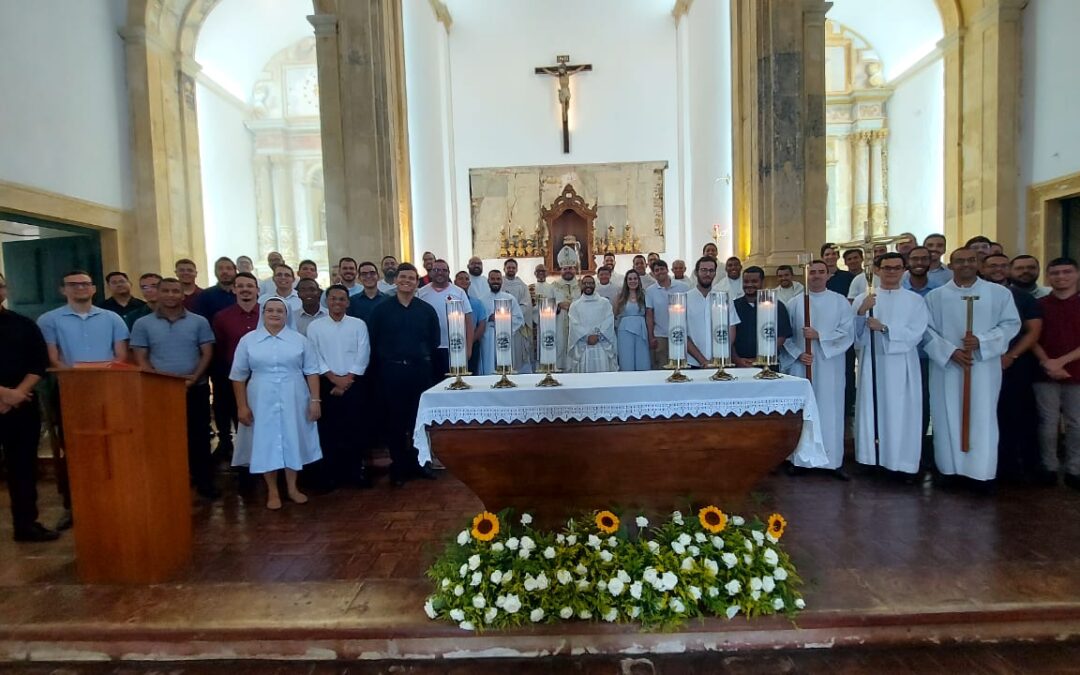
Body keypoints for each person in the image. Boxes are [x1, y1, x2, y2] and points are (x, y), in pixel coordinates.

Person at [924, 248, 1021, 485]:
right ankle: (949, 470)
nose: (965, 265)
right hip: (946, 367)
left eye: (970, 260)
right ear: (952, 265)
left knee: (982, 415)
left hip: (983, 367)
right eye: (959, 261)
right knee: (945, 415)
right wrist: (951, 352)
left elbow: (1011, 324)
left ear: (978, 264)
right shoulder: (935, 297)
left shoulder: (999, 294)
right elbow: (925, 331)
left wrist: (982, 341)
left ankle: (981, 473)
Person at [230, 298, 322, 509]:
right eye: (269, 310)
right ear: (263, 313)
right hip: (260, 396)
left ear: (286, 314)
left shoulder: (299, 340)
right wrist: (241, 406)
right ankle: (272, 490)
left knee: (292, 438)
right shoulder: (248, 340)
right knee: (265, 441)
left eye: (279, 311)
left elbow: (312, 371)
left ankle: (292, 487)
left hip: (294, 395)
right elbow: (238, 376)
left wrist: (315, 400)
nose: (274, 314)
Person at [131, 278, 217, 499]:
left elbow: (206, 353)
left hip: (195, 388)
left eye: (175, 291)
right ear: (157, 294)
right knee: (163, 439)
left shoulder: (198, 322)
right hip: (160, 392)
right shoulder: (143, 324)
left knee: (199, 437)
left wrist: (193, 378)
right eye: (166, 291)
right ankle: (168, 482)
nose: (171, 295)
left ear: (183, 295)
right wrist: (162, 384)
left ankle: (204, 482)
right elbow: (141, 357)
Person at [850, 253, 928, 477]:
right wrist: (862, 312)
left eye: (896, 268)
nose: (891, 272)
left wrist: (885, 328)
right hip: (872, 364)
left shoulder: (915, 301)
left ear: (904, 270)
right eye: (886, 268)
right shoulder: (865, 298)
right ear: (877, 270)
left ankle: (900, 463)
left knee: (901, 412)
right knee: (871, 408)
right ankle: (870, 459)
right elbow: (853, 337)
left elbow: (917, 332)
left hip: (901, 365)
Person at [366, 263, 440, 486]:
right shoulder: (381, 310)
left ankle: (420, 464)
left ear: (417, 282)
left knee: (417, 421)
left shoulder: (426, 310)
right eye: (403, 277)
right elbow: (373, 341)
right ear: (396, 280)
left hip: (419, 371)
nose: (407, 281)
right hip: (391, 372)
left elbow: (434, 341)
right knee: (395, 422)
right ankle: (398, 467)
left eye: (411, 278)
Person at [0, 273, 58, 542]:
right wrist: (5, 394)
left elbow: (39, 363)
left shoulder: (22, 324)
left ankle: (26, 524)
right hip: (12, 399)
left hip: (22, 406)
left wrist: (18, 393)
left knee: (23, 467)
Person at [783, 260, 854, 477]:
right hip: (803, 366)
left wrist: (820, 336)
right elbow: (785, 336)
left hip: (830, 365)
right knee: (805, 413)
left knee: (830, 413)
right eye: (811, 272)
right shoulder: (795, 303)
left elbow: (847, 333)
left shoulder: (840, 302)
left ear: (828, 276)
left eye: (820, 272)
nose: (816, 276)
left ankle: (831, 461)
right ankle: (801, 460)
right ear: (805, 275)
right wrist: (798, 353)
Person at [982, 253, 1043, 483]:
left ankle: (1018, 467)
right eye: (992, 265)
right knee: (989, 415)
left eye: (1002, 265)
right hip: (982, 365)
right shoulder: (974, 294)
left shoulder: (1022, 297)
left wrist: (1011, 355)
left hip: (1014, 365)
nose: (998, 269)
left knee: (1016, 416)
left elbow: (1033, 331)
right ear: (982, 267)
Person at [306, 285, 371, 489]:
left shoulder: (358, 324)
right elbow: (314, 355)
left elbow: (363, 352)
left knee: (356, 428)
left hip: (354, 382)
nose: (337, 303)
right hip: (326, 383)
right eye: (333, 299)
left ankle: (355, 473)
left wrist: (347, 379)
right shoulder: (315, 327)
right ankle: (331, 474)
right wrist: (333, 378)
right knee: (329, 431)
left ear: (348, 302)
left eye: (342, 299)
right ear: (327, 301)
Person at [1032, 258, 1080, 490]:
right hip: (1045, 373)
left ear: (1076, 274)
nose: (1061, 277)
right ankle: (1049, 467)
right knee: (1047, 423)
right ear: (1048, 276)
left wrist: (1061, 361)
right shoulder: (1039, 304)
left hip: (1076, 372)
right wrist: (1047, 362)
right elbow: (1031, 337)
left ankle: (1075, 468)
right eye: (1055, 273)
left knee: (1077, 423)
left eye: (1067, 272)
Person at [210, 271, 261, 462]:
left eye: (250, 286)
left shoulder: (268, 312)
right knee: (240, 419)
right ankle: (243, 465)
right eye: (241, 286)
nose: (245, 290)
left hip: (261, 377)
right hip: (233, 378)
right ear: (234, 289)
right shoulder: (222, 317)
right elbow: (220, 349)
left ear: (257, 289)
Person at [417, 259, 474, 378]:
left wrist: (468, 349)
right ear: (431, 272)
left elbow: (468, 321)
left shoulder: (458, 292)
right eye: (436, 270)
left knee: (455, 383)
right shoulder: (421, 293)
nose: (440, 273)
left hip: (455, 347)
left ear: (448, 273)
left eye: (444, 270)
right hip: (430, 349)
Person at [686, 256, 740, 369]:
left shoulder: (724, 297)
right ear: (696, 272)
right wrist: (703, 361)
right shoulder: (686, 298)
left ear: (715, 273)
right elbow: (683, 333)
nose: (707, 274)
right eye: (704, 270)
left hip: (721, 361)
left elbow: (731, 328)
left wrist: (720, 355)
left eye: (711, 270)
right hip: (693, 362)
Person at [732, 266, 792, 368]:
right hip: (739, 364)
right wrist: (737, 359)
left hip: (767, 363)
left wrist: (760, 358)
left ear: (762, 282)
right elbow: (728, 337)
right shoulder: (733, 306)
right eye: (746, 281)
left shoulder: (776, 306)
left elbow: (782, 336)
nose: (749, 285)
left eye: (754, 281)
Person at [566, 275, 619, 373]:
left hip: (601, 345)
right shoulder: (575, 305)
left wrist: (597, 336)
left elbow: (608, 320)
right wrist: (587, 337)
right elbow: (574, 324)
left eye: (590, 283)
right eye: (585, 283)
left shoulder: (604, 303)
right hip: (583, 346)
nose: (588, 285)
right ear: (581, 286)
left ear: (595, 285)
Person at [644, 259, 691, 369]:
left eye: (662, 269)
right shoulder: (650, 291)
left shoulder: (683, 287)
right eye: (656, 270)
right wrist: (651, 336)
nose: (659, 272)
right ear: (653, 273)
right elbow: (649, 315)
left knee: (681, 366)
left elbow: (690, 310)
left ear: (667, 270)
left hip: (680, 333)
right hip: (661, 335)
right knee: (661, 366)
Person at [478, 270, 525, 375]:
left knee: (505, 365)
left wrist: (503, 319)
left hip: (505, 336)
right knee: (488, 366)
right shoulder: (481, 300)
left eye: (498, 279)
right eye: (493, 279)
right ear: (488, 281)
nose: (496, 281)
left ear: (502, 281)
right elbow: (477, 321)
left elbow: (519, 318)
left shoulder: (510, 298)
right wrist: (488, 318)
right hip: (488, 338)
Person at [614, 269, 650, 371]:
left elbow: (649, 314)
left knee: (642, 358)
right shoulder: (620, 296)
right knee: (626, 358)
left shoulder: (644, 295)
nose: (632, 281)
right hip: (624, 330)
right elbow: (615, 314)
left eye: (635, 279)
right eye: (630, 279)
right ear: (626, 281)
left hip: (641, 329)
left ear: (638, 281)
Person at [501, 259, 534, 372]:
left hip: (517, 326)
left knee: (518, 352)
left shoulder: (522, 286)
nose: (511, 270)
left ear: (516, 269)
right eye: (508, 267)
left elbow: (526, 304)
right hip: (502, 324)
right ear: (504, 269)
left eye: (513, 268)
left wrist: (513, 316)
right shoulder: (500, 284)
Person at [454, 271, 487, 373]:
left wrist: (469, 341)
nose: (464, 281)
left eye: (466, 279)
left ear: (469, 283)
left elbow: (481, 325)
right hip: (454, 344)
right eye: (461, 278)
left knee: (471, 372)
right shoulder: (450, 302)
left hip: (472, 344)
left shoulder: (477, 303)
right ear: (455, 282)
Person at [552, 265, 581, 367]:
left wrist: (573, 306)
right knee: (560, 345)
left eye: (570, 268)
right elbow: (548, 304)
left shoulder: (581, 285)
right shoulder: (554, 286)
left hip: (577, 322)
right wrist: (558, 305)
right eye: (565, 269)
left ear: (575, 270)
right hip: (559, 322)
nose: (568, 271)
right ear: (561, 270)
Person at [193, 257, 237, 322]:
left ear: (235, 272)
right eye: (220, 268)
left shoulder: (243, 294)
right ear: (215, 272)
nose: (225, 271)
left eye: (229, 268)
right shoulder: (205, 295)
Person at [258, 264, 302, 328]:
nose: (283, 277)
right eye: (279, 275)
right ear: (273, 279)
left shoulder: (302, 299)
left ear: (293, 279)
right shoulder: (263, 300)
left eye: (287, 275)